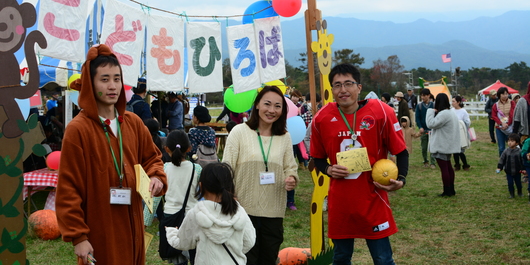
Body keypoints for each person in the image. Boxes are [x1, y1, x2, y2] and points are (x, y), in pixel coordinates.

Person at [55, 44, 167, 265]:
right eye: (104, 79)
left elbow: (152, 158)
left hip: (133, 224)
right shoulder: (78, 130)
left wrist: (156, 176)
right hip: (100, 229)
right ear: (90, 83)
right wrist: (79, 237)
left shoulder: (133, 123)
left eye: (117, 79)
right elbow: (69, 188)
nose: (112, 86)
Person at [310, 63, 408, 264]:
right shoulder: (322, 117)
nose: (343, 90)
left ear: (359, 87)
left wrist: (402, 180)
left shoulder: (382, 111)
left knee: (383, 259)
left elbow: (401, 151)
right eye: (337, 85)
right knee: (341, 258)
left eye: (348, 84)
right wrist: (328, 169)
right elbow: (317, 158)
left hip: (373, 198)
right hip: (341, 202)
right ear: (332, 90)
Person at [222, 86, 298, 265]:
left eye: (278, 106)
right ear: (256, 105)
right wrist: (229, 195)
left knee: (268, 258)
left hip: (274, 211)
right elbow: (226, 169)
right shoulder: (239, 132)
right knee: (245, 259)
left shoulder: (285, 137)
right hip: (243, 209)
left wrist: (292, 178)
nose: (272, 110)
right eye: (267, 104)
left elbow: (291, 167)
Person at [166, 163, 256, 265]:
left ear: (201, 185)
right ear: (230, 185)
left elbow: (183, 243)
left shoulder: (196, 213)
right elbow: (249, 241)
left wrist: (171, 232)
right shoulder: (239, 211)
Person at [162, 130, 202, 264]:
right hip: (192, 217)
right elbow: (202, 194)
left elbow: (156, 198)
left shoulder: (165, 168)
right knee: (195, 254)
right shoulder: (196, 169)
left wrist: (146, 220)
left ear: (167, 149)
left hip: (171, 218)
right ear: (189, 148)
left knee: (177, 256)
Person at [426, 93, 461, 197]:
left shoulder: (444, 114)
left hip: (442, 145)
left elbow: (430, 123)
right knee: (448, 167)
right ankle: (451, 189)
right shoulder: (451, 112)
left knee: (444, 168)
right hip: (447, 144)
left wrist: (430, 111)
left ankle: (447, 191)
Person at [497, 133, 524, 198]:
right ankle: (511, 194)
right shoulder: (506, 151)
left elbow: (522, 161)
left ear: (517, 143)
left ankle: (520, 192)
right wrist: (499, 167)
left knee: (518, 183)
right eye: (509, 141)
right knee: (510, 183)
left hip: (517, 171)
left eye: (512, 141)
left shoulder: (519, 151)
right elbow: (502, 159)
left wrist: (523, 169)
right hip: (508, 171)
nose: (510, 143)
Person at [415, 89, 436, 169]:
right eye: (422, 95)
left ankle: (433, 162)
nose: (422, 97)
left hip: (432, 130)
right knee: (424, 147)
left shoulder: (433, 105)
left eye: (424, 95)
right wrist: (420, 127)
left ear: (428, 96)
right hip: (423, 130)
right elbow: (417, 118)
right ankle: (425, 161)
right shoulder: (419, 106)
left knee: (432, 147)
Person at [492, 87, 516, 156]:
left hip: (510, 127)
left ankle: (511, 161)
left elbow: (512, 114)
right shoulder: (495, 105)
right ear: (499, 95)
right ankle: (502, 162)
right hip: (499, 128)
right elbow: (494, 115)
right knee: (501, 147)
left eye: (506, 93)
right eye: (503, 94)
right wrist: (501, 123)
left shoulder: (512, 103)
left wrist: (507, 124)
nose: (505, 95)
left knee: (512, 146)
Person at [451, 96, 471, 171]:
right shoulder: (451, 110)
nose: (452, 103)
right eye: (452, 101)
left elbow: (467, 122)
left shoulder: (463, 112)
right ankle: (457, 165)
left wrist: (460, 123)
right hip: (453, 133)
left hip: (461, 133)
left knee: (460, 151)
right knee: (455, 151)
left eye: (454, 101)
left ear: (458, 102)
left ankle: (465, 165)